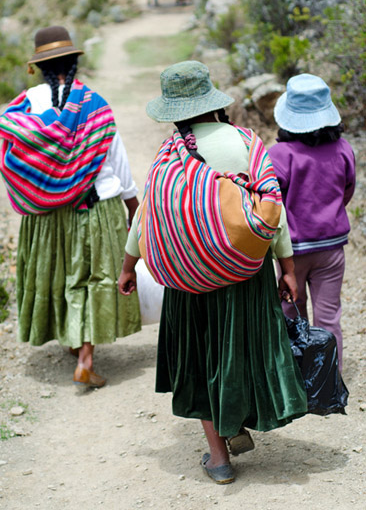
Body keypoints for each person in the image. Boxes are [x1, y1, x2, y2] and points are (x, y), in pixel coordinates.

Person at [118, 61, 307, 484]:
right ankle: (238, 416)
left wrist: (129, 267)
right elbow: (272, 210)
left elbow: (144, 217)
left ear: (173, 112)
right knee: (240, 349)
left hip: (189, 281)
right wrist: (288, 268)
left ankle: (219, 458)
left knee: (201, 358)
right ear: (213, 102)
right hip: (245, 272)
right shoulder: (245, 142)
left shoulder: (167, 156)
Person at [0, 26, 141, 388]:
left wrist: (43, 189)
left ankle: (76, 345)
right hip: (95, 208)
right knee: (90, 278)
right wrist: (134, 209)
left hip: (45, 213)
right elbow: (117, 164)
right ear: (74, 62)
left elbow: (11, 160)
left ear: (39, 66)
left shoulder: (24, 106)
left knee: (59, 275)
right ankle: (86, 357)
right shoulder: (95, 106)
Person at [268, 73, 356, 372]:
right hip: (331, 249)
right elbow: (347, 190)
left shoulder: (279, 154)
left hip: (291, 252)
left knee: (291, 312)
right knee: (329, 316)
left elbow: (271, 203)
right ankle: (329, 380)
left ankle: (297, 377)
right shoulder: (343, 148)